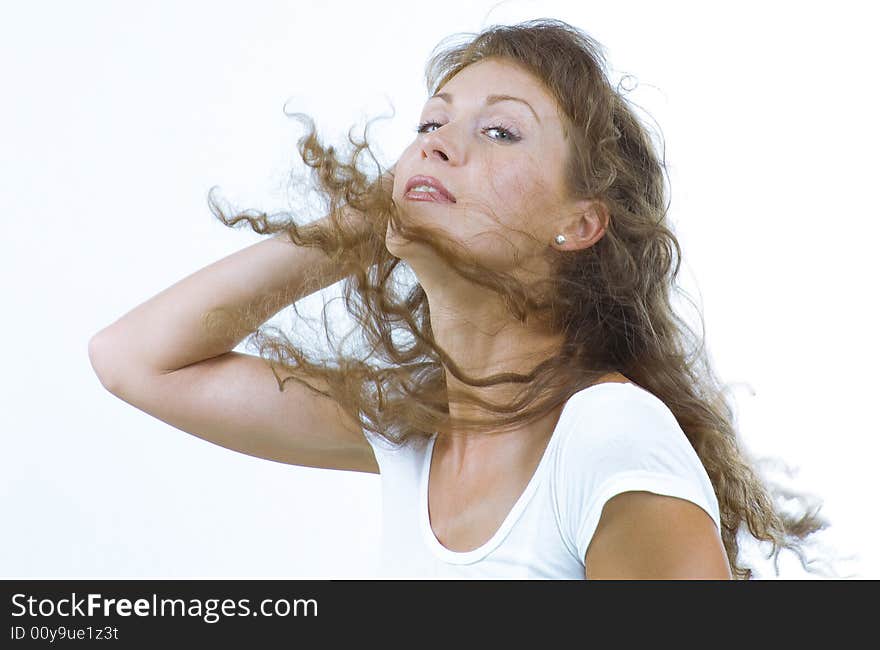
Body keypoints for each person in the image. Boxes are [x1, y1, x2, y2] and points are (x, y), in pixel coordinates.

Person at [88, 18, 831, 580]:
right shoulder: (415, 433)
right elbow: (133, 360)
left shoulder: (610, 440)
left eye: (502, 132)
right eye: (430, 125)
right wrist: (355, 226)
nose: (438, 144)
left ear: (579, 224)